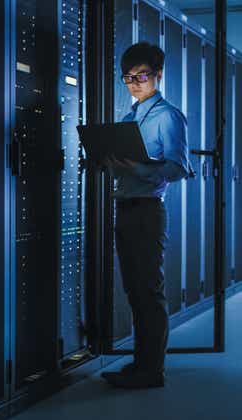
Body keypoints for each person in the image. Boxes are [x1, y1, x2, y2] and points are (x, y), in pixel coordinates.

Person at [101, 42, 191, 388]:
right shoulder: (129, 118)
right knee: (135, 292)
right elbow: (127, 167)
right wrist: (111, 163)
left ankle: (152, 371)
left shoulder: (167, 116)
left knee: (149, 292)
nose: (135, 83)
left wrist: (137, 169)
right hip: (124, 209)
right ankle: (141, 364)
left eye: (141, 75)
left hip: (147, 212)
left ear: (158, 74)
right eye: (128, 77)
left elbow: (179, 168)